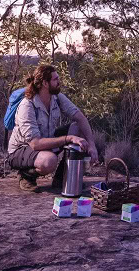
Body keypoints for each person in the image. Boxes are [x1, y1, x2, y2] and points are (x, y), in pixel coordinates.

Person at [7, 64, 99, 192]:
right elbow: (35, 144)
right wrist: (68, 138)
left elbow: (80, 118)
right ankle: (26, 175)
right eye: (55, 79)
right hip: (21, 151)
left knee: (78, 127)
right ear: (45, 83)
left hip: (45, 141)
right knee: (49, 160)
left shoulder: (56, 97)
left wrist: (91, 144)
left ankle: (61, 178)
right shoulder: (27, 105)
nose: (59, 82)